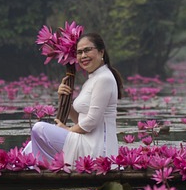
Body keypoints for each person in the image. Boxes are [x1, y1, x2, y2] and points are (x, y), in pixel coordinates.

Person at [23, 32, 124, 166]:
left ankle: (43, 168)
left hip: (97, 148)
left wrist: (66, 130)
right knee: (30, 146)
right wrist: (65, 100)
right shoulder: (93, 79)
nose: (83, 56)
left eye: (87, 50)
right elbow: (82, 121)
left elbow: (91, 122)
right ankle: (37, 167)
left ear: (101, 52)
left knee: (39, 128)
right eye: (79, 52)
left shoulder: (104, 78)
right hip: (86, 140)